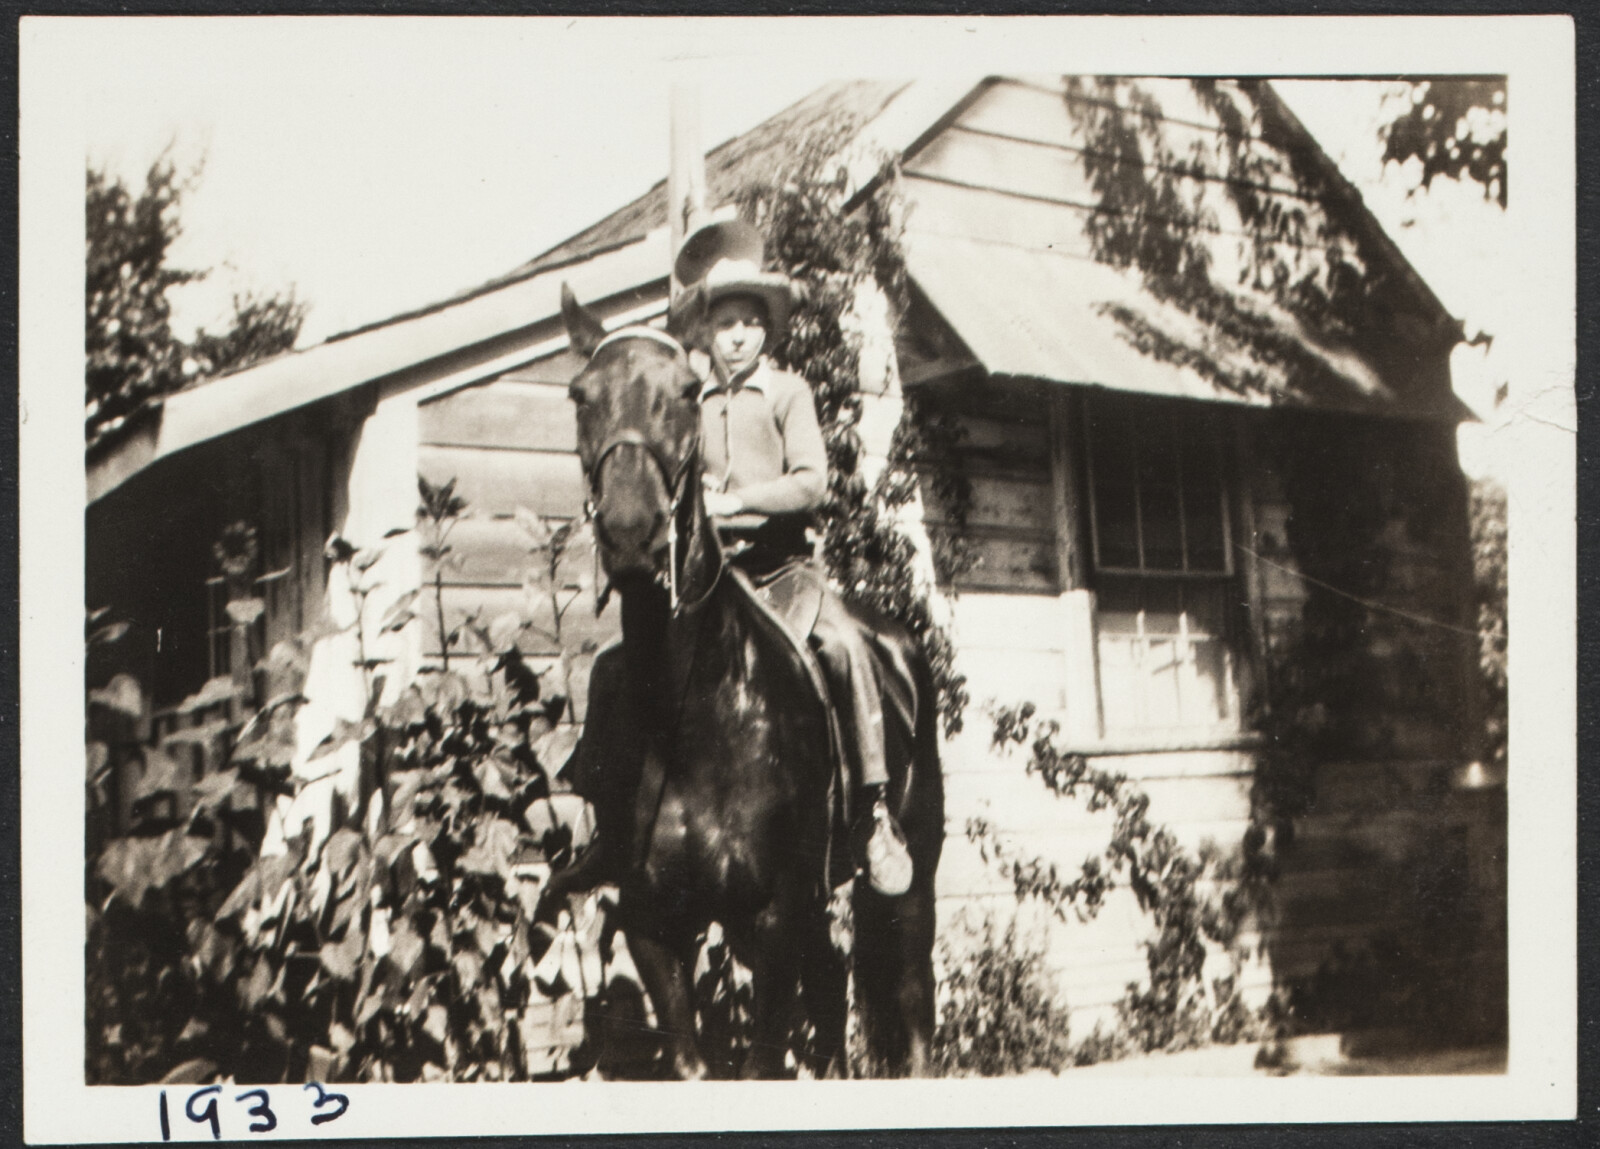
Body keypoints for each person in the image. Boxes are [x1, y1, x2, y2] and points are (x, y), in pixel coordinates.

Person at [674, 217, 913, 897]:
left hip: (783, 573)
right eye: (725, 323)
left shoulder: (787, 393)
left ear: (767, 328)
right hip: (715, 580)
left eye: (750, 321)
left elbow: (813, 481)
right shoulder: (693, 404)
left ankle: (873, 810)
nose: (739, 334)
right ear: (707, 333)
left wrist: (738, 500)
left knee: (843, 646)